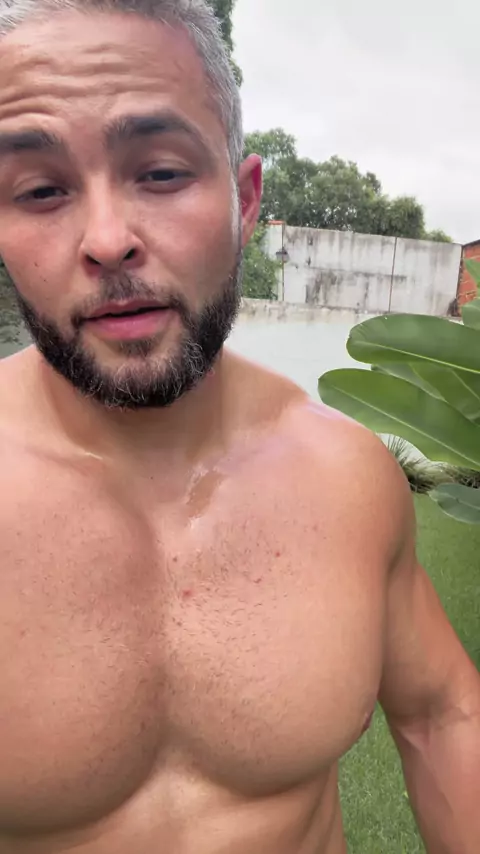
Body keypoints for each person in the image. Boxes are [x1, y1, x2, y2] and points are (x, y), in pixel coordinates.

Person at [0, 1, 478, 851]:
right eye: (41, 190)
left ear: (244, 199)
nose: (107, 240)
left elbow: (443, 714)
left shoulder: (346, 476)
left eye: (160, 173)